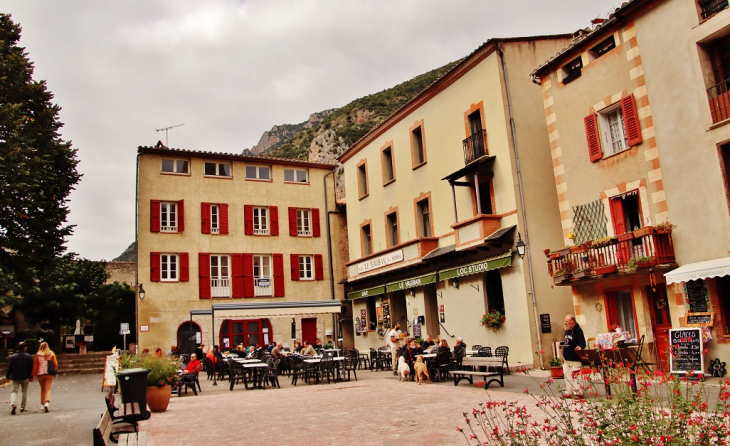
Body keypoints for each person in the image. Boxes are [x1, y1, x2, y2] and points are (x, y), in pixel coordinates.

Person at [562, 314, 586, 399]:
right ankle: (569, 392)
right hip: (567, 358)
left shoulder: (578, 330)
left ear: (572, 322)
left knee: (576, 375)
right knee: (567, 375)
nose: (565, 323)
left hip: (575, 358)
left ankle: (578, 392)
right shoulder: (567, 331)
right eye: (565, 321)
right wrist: (563, 355)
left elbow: (582, 342)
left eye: (567, 321)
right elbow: (566, 343)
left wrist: (580, 346)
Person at [6, 342, 34, 415]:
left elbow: (10, 367)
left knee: (14, 391)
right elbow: (31, 368)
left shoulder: (13, 356)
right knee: (24, 391)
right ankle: (22, 407)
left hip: (15, 376)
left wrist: (7, 376)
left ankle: (13, 404)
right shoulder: (28, 356)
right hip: (25, 376)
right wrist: (31, 376)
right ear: (25, 348)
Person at [31, 341, 58, 413]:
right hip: (49, 373)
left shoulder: (38, 355)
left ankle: (42, 404)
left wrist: (33, 374)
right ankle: (47, 402)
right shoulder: (51, 353)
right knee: (47, 389)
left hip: (40, 374)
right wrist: (54, 371)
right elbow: (55, 364)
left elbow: (35, 365)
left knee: (42, 389)